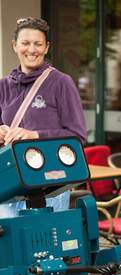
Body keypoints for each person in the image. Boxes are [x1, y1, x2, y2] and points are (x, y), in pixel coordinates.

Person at [0, 17, 87, 218]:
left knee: (44, 246)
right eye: (25, 43)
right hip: (8, 184)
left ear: (46, 47)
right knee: (7, 247)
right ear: (15, 46)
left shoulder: (61, 83)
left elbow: (77, 135)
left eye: (38, 44)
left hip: (48, 187)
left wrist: (35, 135)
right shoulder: (3, 86)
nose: (32, 49)